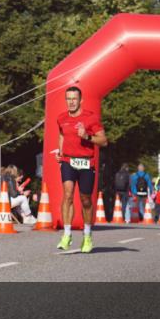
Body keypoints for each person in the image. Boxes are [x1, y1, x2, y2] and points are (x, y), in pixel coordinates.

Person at [55, 86, 108, 253]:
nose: (71, 102)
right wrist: (60, 152)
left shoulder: (91, 118)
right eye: (68, 99)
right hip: (68, 161)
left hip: (86, 163)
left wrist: (87, 137)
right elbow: (62, 135)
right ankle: (67, 234)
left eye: (74, 99)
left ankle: (87, 235)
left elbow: (104, 141)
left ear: (80, 100)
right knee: (68, 194)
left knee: (85, 199)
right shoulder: (61, 118)